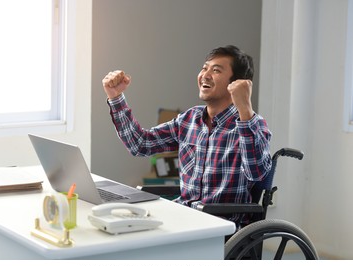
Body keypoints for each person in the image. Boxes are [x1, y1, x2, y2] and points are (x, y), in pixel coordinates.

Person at [102, 45, 272, 229]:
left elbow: (257, 172)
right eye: (204, 68)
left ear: (236, 84)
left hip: (220, 229)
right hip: (184, 218)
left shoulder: (251, 124)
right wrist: (116, 97)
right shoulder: (189, 119)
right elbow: (140, 144)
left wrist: (245, 110)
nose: (205, 75)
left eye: (216, 70)